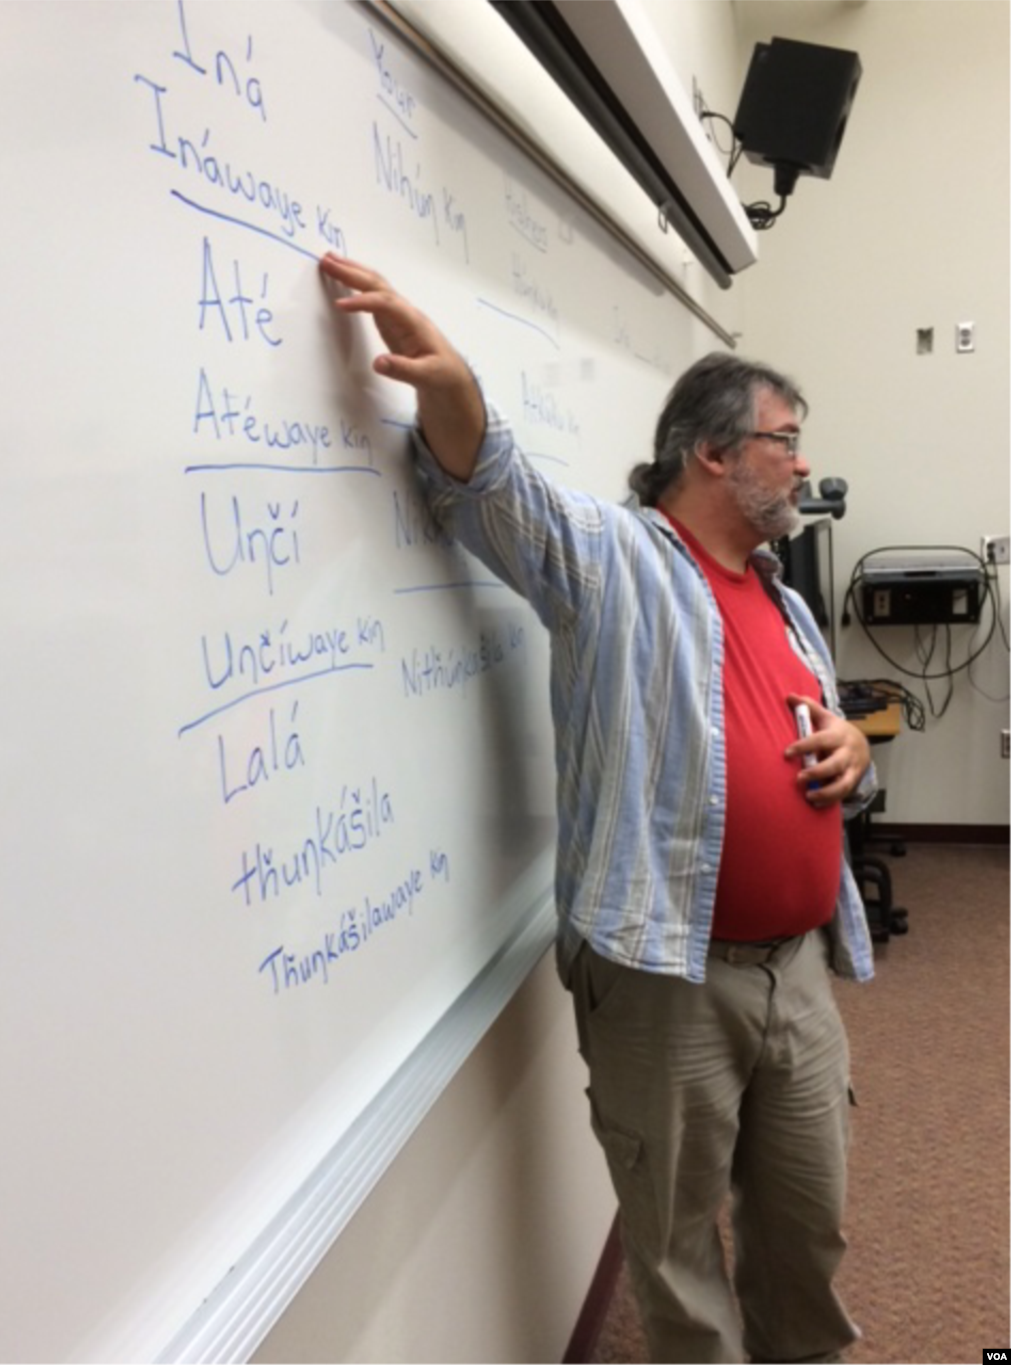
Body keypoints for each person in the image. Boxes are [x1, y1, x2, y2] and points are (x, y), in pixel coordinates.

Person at [318, 252, 876, 1365]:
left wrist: (852, 744)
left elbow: (812, 732)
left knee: (806, 1225)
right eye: (784, 438)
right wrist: (455, 390)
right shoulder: (614, 560)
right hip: (665, 973)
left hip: (797, 967)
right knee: (672, 1243)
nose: (803, 464)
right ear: (710, 452)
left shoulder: (780, 594)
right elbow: (494, 490)